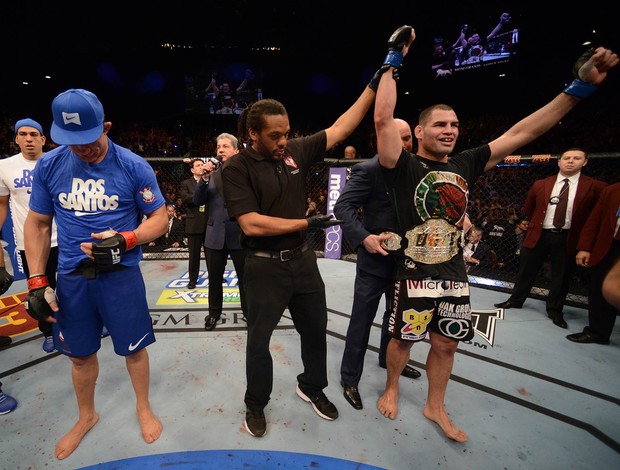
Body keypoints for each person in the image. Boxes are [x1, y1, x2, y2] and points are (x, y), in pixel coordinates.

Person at [373, 25, 617, 443]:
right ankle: (393, 385)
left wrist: (578, 89)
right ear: (420, 131)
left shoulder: (466, 162)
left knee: (447, 345)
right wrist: (393, 62)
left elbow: (525, 132)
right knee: (403, 339)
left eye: (454, 124)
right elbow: (381, 118)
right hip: (412, 270)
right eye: (440, 124)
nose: (450, 130)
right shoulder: (403, 165)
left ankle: (435, 405)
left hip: (453, 272)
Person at [221, 43, 382, 435]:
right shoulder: (236, 168)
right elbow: (251, 224)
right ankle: (255, 403)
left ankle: (310, 386)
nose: (282, 142)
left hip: (302, 262)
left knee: (316, 330)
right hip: (261, 266)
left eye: (286, 134)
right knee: (259, 342)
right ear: (252, 134)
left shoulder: (294, 151)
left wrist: (378, 80)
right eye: (274, 136)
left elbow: (343, 126)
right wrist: (304, 223)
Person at [23, 88, 168, 460]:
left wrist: (128, 238)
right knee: (78, 355)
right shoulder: (50, 164)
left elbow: (160, 219)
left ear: (105, 127)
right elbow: (38, 223)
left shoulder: (133, 165)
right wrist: (37, 280)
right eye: (72, 142)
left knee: (134, 349)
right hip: (72, 277)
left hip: (121, 275)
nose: (82, 149)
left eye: (88, 140)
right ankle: (86, 416)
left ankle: (142, 406)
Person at [334, 118, 421, 412]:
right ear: (382, 140)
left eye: (408, 138)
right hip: (374, 261)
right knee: (362, 320)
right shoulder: (368, 170)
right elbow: (342, 207)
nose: (403, 144)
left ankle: (388, 359)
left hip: (408, 262)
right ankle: (350, 378)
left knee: (397, 318)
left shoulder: (418, 169)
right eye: (398, 138)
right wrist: (364, 238)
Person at [494, 148, 607, 329]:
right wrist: (532, 223)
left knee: (561, 275)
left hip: (568, 236)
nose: (571, 161)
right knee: (526, 269)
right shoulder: (541, 184)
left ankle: (555, 310)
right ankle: (516, 300)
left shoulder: (594, 186)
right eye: (567, 158)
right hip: (540, 232)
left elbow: (597, 214)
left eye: (576, 158)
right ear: (559, 162)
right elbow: (529, 207)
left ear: (584, 162)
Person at [0, 118, 59, 353]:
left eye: (34, 134)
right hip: (31, 242)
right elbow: (2, 204)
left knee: (76, 284)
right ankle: (49, 332)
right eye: (22, 134)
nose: (28, 139)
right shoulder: (5, 167)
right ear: (16, 139)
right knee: (39, 290)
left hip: (65, 236)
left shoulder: (56, 161)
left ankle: (80, 325)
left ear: (43, 139)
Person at [194, 133, 247, 330]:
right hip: (214, 234)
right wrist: (204, 179)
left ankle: (249, 313)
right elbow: (198, 200)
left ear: (236, 150)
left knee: (245, 278)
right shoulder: (211, 175)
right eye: (218, 147)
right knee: (214, 279)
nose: (221, 150)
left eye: (225, 146)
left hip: (240, 233)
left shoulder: (245, 172)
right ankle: (214, 313)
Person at [566, 182, 620, 344]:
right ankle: (598, 332)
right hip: (609, 246)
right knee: (599, 290)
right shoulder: (612, 190)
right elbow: (594, 220)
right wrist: (585, 247)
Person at [180, 158, 208, 289]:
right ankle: (193, 279)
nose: (201, 167)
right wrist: (201, 195)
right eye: (198, 165)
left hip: (209, 222)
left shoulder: (210, 181)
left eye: (202, 165)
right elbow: (185, 199)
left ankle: (217, 276)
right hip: (194, 223)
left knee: (213, 255)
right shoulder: (186, 183)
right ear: (192, 170)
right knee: (194, 256)